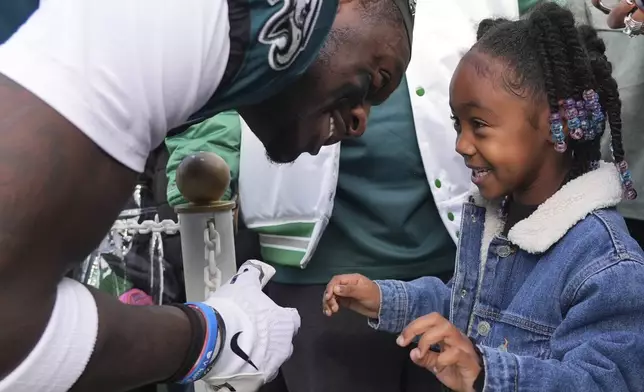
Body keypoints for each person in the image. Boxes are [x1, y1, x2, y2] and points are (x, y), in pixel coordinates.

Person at [0, 0, 413, 390]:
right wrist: (215, 336)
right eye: (376, 79)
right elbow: (12, 340)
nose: (361, 121)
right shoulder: (188, 21)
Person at [323, 3, 644, 391]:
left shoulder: (606, 264)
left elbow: (605, 382)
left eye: (479, 125)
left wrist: (486, 372)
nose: (461, 145)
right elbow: (467, 307)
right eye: (458, 125)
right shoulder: (500, 220)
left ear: (554, 121)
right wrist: (387, 299)